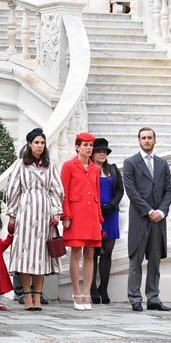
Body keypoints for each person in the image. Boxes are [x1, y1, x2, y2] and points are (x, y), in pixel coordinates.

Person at [5, 127, 63, 311]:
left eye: (42, 143)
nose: (39, 146)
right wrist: (12, 216)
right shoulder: (20, 165)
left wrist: (56, 212)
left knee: (41, 257)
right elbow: (13, 190)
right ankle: (26, 296)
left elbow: (56, 190)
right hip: (26, 213)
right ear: (29, 145)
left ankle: (38, 297)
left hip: (44, 214)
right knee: (25, 256)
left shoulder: (50, 166)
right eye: (36, 142)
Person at [123, 127, 171, 312]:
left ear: (155, 140)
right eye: (143, 138)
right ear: (139, 140)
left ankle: (153, 298)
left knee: (155, 260)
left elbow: (169, 189)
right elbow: (131, 191)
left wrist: (161, 211)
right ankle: (135, 298)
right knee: (135, 260)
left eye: (149, 137)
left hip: (158, 220)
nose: (146, 140)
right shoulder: (130, 162)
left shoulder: (162, 163)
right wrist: (148, 211)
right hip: (140, 218)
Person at [61, 132, 103, 311]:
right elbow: (64, 192)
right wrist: (66, 216)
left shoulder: (95, 168)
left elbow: (97, 194)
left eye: (91, 145)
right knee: (76, 253)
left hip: (92, 214)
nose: (89, 148)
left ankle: (87, 293)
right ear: (77, 147)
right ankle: (76, 293)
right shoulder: (68, 166)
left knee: (90, 254)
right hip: (76, 214)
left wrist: (99, 217)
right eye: (85, 145)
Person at [89, 138, 124, 305]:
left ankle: (104, 287)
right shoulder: (88, 169)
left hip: (110, 214)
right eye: (99, 151)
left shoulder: (113, 169)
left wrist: (112, 205)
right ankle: (92, 288)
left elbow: (120, 190)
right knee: (93, 252)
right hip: (92, 214)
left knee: (107, 252)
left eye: (104, 151)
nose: (102, 154)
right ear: (93, 153)